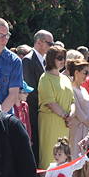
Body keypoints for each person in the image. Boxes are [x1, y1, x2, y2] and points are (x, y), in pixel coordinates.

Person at [37, 45, 74, 169]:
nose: (63, 61)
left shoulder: (65, 78)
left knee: (63, 156)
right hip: (50, 122)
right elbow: (50, 103)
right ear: (51, 59)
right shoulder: (45, 78)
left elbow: (72, 101)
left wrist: (71, 115)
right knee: (49, 157)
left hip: (65, 124)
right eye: (59, 58)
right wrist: (66, 116)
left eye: (64, 58)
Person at [22, 30, 54, 163]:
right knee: (35, 144)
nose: (52, 47)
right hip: (35, 111)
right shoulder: (28, 60)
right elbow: (32, 90)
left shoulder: (45, 60)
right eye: (49, 43)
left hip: (44, 111)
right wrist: (48, 103)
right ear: (39, 42)